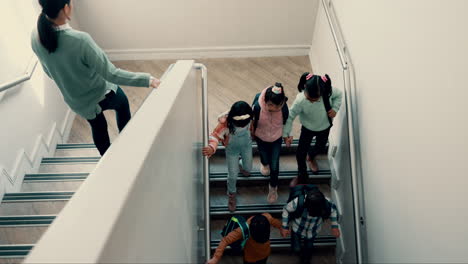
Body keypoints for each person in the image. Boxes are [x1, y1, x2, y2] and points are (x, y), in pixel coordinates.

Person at [32, 0, 160, 155]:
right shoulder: (80, 40)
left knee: (98, 127)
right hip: (100, 93)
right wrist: (148, 80)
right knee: (122, 103)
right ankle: (128, 142)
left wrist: (71, 79)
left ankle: (106, 159)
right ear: (66, 8)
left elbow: (48, 71)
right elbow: (111, 74)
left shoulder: (35, 36)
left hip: (77, 102)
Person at [283, 73, 342, 186]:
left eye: (315, 99)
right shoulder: (300, 100)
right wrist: (286, 134)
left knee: (320, 146)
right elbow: (290, 116)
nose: (312, 101)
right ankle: (302, 176)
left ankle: (311, 156)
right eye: (309, 98)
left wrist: (335, 108)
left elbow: (339, 95)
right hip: (307, 129)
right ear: (305, 87)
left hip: (324, 127)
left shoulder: (328, 92)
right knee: (300, 154)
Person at [202, 101, 253, 212]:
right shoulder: (225, 124)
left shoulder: (250, 117)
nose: (243, 125)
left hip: (247, 146)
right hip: (232, 150)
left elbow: (253, 126)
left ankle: (241, 164)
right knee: (232, 176)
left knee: (248, 169)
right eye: (240, 124)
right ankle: (231, 194)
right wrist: (212, 146)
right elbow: (215, 136)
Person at [251, 82, 289, 203]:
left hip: (276, 138)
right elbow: (252, 121)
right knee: (264, 156)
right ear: (265, 101)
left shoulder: (283, 107)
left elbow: (287, 121)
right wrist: (251, 133)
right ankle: (264, 163)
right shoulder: (257, 107)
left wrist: (287, 135)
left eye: (278, 106)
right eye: (271, 105)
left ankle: (273, 187)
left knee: (275, 165)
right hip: (261, 137)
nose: (275, 109)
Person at [282, 186, 340, 264]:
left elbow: (333, 210)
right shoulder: (298, 202)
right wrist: (284, 226)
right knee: (296, 248)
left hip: (313, 231)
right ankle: (298, 251)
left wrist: (334, 226)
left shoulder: (326, 203)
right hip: (297, 228)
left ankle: (306, 259)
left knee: (309, 248)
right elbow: (286, 209)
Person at [207, 213, 290, 264]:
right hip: (250, 259)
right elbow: (225, 240)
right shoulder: (242, 230)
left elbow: (274, 221)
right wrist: (216, 258)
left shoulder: (266, 217)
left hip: (265, 253)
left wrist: (282, 228)